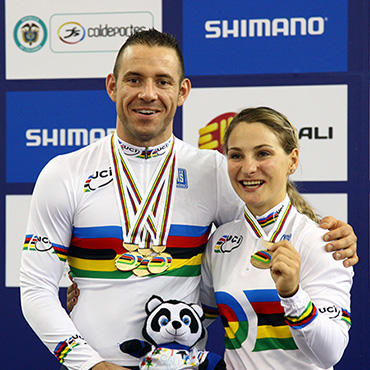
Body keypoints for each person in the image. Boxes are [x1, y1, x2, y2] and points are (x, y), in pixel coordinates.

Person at [20, 29, 357, 370]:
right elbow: (36, 289)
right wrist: (90, 364)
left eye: (163, 82)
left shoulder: (213, 170)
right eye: (134, 80)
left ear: (182, 92)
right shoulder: (65, 173)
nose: (148, 94)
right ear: (112, 86)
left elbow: (261, 225)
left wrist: (330, 234)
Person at [200, 107, 354, 369]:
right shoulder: (221, 242)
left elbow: (332, 351)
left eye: (263, 154)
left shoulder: (321, 241)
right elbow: (195, 320)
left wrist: (293, 295)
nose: (248, 168)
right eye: (236, 155)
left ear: (292, 160)